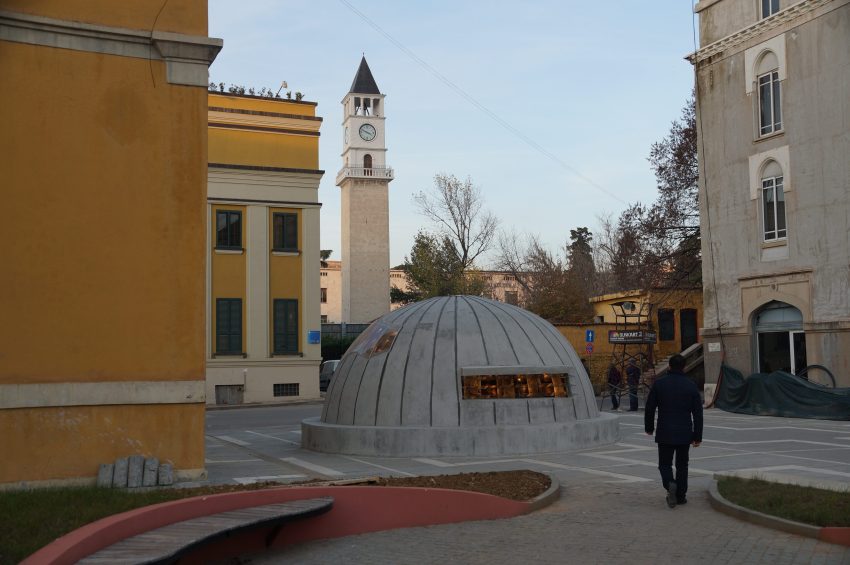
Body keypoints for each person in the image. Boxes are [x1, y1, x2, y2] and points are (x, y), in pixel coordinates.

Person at [644, 354, 703, 508]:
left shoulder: (659, 384)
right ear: (683, 367)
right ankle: (681, 496)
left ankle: (670, 483)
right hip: (684, 432)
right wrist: (697, 436)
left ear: (669, 366)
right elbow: (698, 413)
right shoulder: (691, 385)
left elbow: (650, 408)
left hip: (665, 432)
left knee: (664, 464)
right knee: (682, 465)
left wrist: (649, 428)